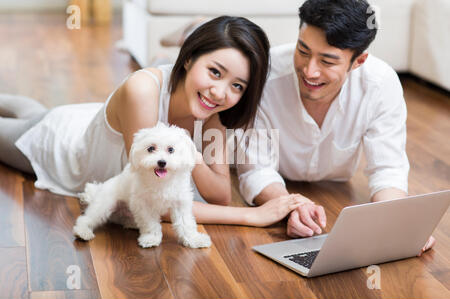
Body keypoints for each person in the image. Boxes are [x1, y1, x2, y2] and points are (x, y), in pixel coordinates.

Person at [0, 16, 305, 227]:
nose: (220, 91)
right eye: (215, 71)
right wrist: (252, 217)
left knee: (30, 111)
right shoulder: (142, 90)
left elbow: (220, 194)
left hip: (81, 120)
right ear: (188, 58)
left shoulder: (213, 110)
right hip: (59, 146)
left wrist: (192, 152)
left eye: (238, 85)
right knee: (31, 122)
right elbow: (151, 202)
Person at [235, 0, 435, 254]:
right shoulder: (266, 75)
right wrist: (291, 206)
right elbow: (256, 170)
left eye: (327, 62)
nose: (309, 71)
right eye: (303, 51)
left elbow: (388, 169)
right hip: (269, 173)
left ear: (359, 61)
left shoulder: (380, 84)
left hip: (335, 183)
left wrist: (396, 221)